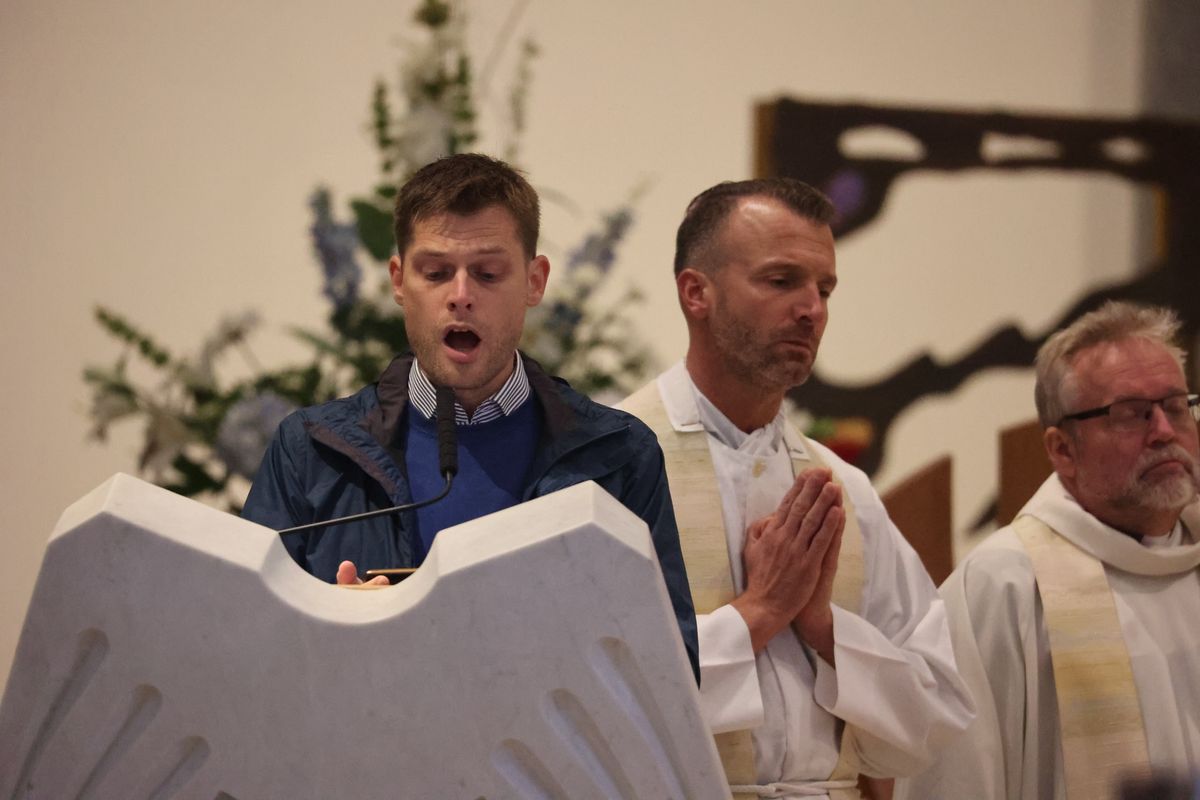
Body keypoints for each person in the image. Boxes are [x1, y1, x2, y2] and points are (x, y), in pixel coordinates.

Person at [242, 153, 698, 677]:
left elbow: (671, 672)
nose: (460, 297)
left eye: (487, 273)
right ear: (398, 280)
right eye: (435, 273)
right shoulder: (311, 451)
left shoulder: (618, 456)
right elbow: (241, 654)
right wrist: (333, 634)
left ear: (534, 281)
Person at [620, 178, 973, 800]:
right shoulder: (611, 468)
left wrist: (823, 627)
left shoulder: (846, 489)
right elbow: (596, 694)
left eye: (825, 288)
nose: (812, 309)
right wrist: (759, 614)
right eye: (782, 281)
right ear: (695, 292)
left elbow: (936, 712)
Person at [896, 301, 1200, 800]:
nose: (1164, 431)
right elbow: (956, 780)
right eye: (1131, 414)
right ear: (1062, 449)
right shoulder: (1005, 583)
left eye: (1174, 406)